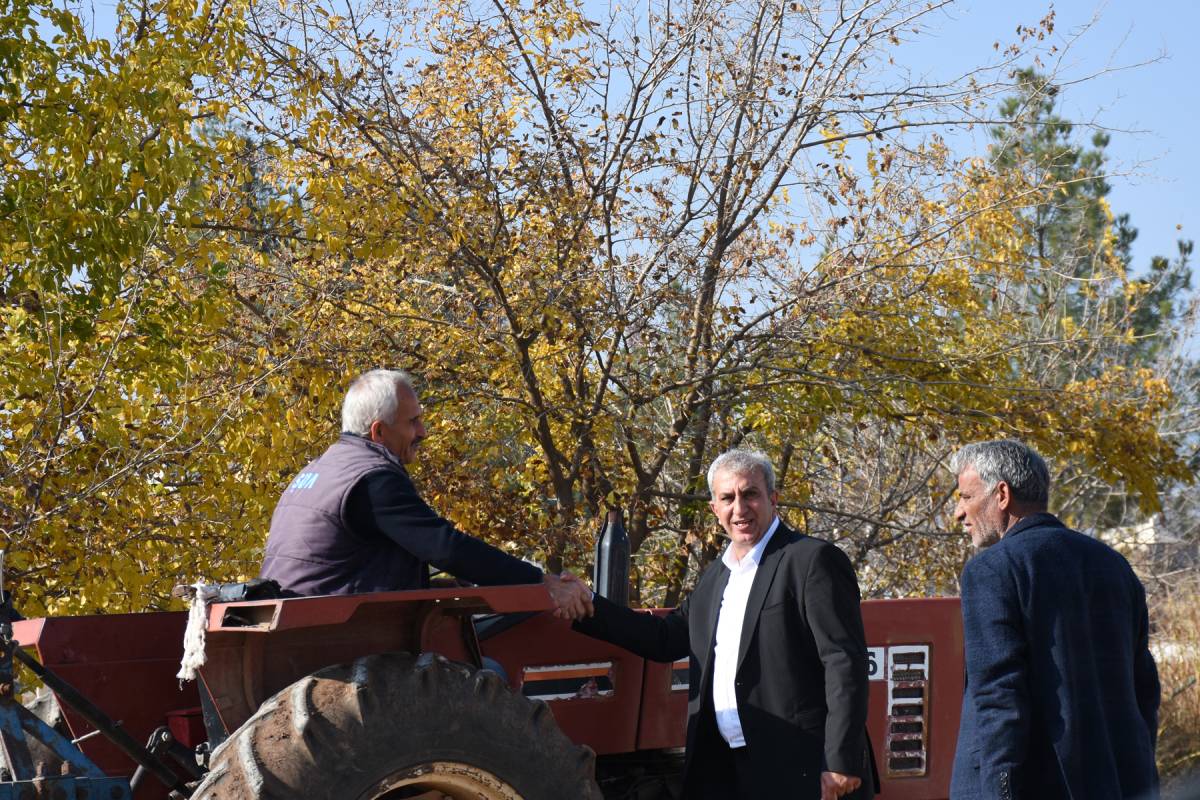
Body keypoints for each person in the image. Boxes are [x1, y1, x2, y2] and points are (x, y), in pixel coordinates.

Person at [570, 449, 876, 800]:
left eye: (750, 494)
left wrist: (840, 760)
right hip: (726, 771)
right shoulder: (717, 575)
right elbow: (665, 639)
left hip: (803, 770)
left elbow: (844, 662)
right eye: (728, 498)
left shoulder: (812, 560)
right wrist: (587, 604)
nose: (740, 509)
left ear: (773, 498)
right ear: (715, 509)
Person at [259, 369, 592, 619]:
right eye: (413, 422)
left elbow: (341, 569)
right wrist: (541, 582)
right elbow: (446, 548)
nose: (423, 432)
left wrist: (433, 586)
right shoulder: (373, 480)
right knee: (495, 671)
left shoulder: (317, 472)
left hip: (299, 621)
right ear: (379, 431)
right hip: (337, 635)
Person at [949, 439, 1160, 800]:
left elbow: (1000, 698)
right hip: (1120, 783)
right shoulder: (1115, 566)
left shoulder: (992, 570)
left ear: (1002, 494)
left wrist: (999, 792)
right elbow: (1145, 691)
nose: (959, 512)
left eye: (966, 496)